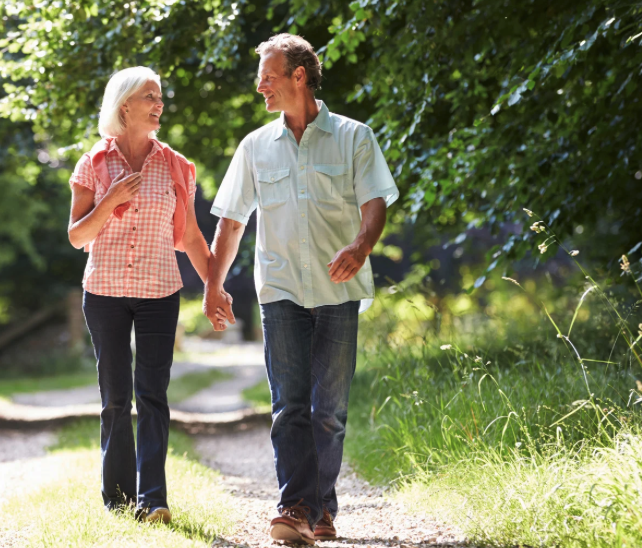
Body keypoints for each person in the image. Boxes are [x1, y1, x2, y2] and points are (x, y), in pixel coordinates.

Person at [204, 34, 399, 545]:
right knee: (288, 407)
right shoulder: (254, 146)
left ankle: (322, 509)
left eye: (267, 75)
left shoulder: (355, 137)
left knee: (327, 411)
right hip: (282, 289)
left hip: (339, 290)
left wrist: (360, 246)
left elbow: (375, 201)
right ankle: (294, 506)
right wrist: (212, 285)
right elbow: (230, 222)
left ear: (298, 76)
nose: (259, 86)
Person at [67, 66, 229, 524]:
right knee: (115, 398)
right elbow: (78, 236)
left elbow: (194, 238)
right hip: (104, 294)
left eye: (160, 97)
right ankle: (118, 502)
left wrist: (214, 287)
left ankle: (153, 500)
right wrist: (110, 200)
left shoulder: (175, 165)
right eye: (150, 97)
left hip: (160, 292)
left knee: (153, 394)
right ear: (124, 106)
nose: (159, 104)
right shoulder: (93, 164)